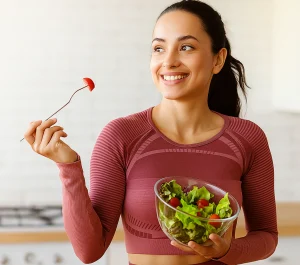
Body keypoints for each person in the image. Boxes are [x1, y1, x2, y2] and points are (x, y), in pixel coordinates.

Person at [24, 1, 278, 264]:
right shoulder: (121, 135)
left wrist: (227, 250)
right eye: (158, 48)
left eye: (186, 47)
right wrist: (67, 166)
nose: (168, 61)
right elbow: (89, 251)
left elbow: (267, 236)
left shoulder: (248, 138)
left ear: (218, 59)